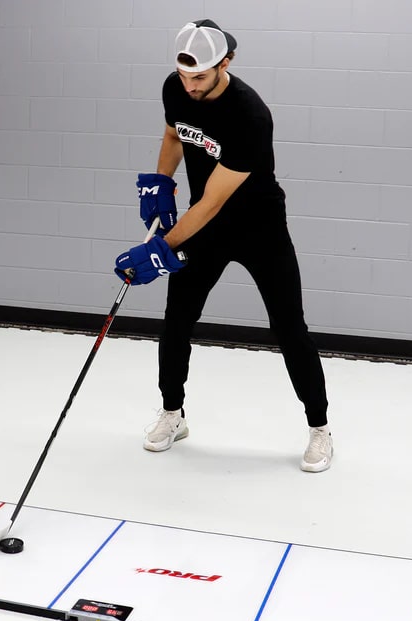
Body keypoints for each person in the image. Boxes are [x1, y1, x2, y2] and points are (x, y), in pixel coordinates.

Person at [114, 19, 333, 472]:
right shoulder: (176, 89)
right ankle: (173, 414)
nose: (189, 86)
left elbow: (214, 202)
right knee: (177, 319)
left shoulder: (250, 115)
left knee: (289, 327)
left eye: (198, 77)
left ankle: (319, 428)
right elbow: (174, 133)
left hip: (258, 227)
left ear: (224, 64)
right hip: (204, 227)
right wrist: (160, 182)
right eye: (182, 75)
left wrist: (160, 247)